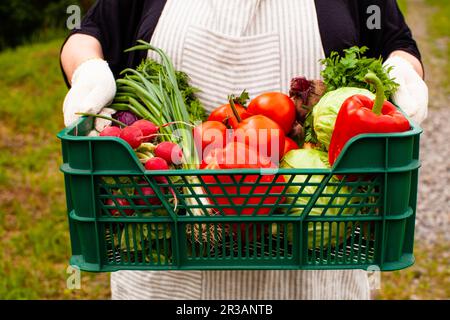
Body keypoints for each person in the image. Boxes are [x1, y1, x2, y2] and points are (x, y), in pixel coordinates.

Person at [60, 0, 428, 300]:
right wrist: (89, 70)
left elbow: (396, 42)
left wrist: (404, 72)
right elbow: (88, 34)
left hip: (316, 268)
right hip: (166, 265)